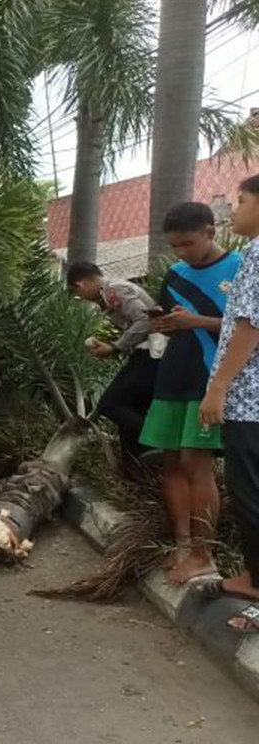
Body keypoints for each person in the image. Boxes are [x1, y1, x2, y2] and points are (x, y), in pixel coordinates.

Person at [140, 202, 242, 586]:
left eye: (188, 243)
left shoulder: (241, 268)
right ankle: (182, 546)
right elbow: (172, 320)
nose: (181, 253)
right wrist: (166, 324)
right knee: (172, 464)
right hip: (172, 376)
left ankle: (204, 553)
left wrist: (194, 321)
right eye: (175, 246)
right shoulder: (176, 273)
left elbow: (248, 327)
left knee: (197, 465)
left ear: (211, 232)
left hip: (210, 378)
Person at [199, 175, 259, 632]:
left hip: (249, 402)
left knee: (249, 493)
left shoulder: (257, 254)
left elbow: (249, 327)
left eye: (241, 201)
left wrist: (217, 387)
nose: (232, 210)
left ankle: (256, 584)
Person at [67, 261, 159, 463]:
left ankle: (157, 443)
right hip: (148, 354)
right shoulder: (109, 293)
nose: (82, 298)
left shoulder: (113, 289)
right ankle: (136, 465)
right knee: (130, 408)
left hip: (151, 355)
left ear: (80, 285)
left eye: (78, 294)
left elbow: (145, 320)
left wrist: (116, 346)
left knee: (110, 404)